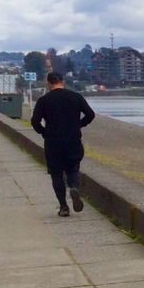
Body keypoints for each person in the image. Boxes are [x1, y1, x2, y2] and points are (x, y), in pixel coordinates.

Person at [31, 72, 96, 217]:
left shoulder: (44, 100)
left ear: (48, 84)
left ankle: (63, 207)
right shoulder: (75, 97)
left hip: (53, 141)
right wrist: (78, 125)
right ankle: (73, 187)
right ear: (63, 82)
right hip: (72, 139)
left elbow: (35, 121)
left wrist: (44, 132)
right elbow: (90, 114)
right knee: (73, 168)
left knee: (56, 174)